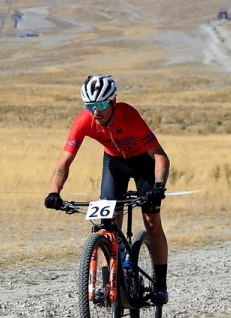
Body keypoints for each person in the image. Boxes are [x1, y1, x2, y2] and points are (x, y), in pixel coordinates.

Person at [44, 75, 170, 304]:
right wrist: (54, 192)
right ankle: (108, 284)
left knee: (152, 221)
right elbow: (63, 163)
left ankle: (160, 285)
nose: (96, 112)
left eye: (101, 105)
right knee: (108, 223)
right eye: (90, 106)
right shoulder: (84, 121)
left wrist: (159, 186)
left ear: (113, 102)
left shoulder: (129, 116)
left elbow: (160, 157)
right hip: (115, 164)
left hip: (143, 163)